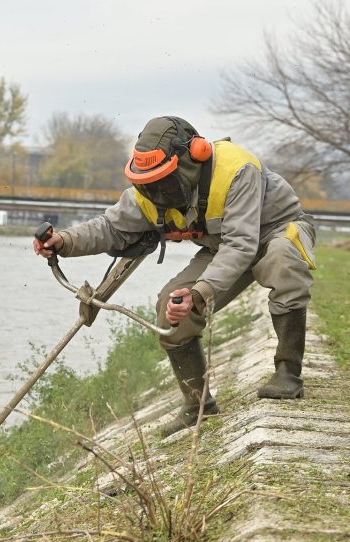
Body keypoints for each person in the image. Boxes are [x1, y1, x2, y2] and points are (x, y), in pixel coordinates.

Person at [34, 116, 316, 437]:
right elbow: (111, 227)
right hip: (222, 245)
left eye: (163, 181)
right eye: (149, 183)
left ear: (192, 158)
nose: (156, 192)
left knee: (281, 260)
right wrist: (64, 241)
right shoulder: (150, 191)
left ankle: (288, 372)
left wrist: (199, 294)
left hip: (276, 231)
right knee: (171, 305)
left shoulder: (238, 170)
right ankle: (198, 405)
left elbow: (242, 246)